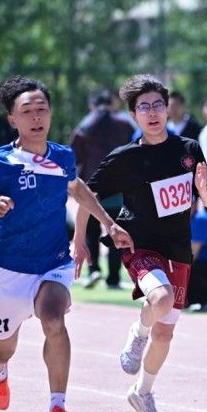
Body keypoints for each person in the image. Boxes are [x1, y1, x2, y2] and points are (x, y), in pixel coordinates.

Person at [0, 75, 133, 412]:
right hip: (10, 270)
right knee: (1, 351)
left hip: (53, 261)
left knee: (54, 320)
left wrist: (108, 223)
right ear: (13, 119)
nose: (36, 117)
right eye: (27, 111)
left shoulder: (63, 155)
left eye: (42, 109)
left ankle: (58, 409)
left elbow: (77, 188)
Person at [72, 74, 207, 412]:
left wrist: (204, 191)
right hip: (139, 243)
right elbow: (83, 192)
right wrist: (80, 239)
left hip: (178, 247)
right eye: (143, 107)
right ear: (133, 115)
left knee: (165, 333)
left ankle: (143, 392)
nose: (152, 113)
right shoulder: (125, 158)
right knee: (161, 300)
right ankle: (138, 334)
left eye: (157, 105)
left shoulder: (188, 149)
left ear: (168, 109)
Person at [69, 89, 135, 290]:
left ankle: (94, 269)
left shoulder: (86, 124)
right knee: (115, 227)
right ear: (112, 103)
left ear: (92, 105)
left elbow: (75, 155)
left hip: (91, 186)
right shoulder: (124, 123)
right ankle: (113, 277)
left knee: (90, 229)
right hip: (117, 185)